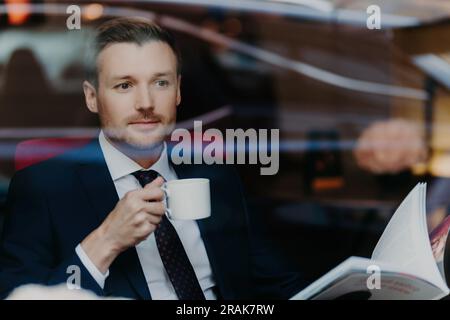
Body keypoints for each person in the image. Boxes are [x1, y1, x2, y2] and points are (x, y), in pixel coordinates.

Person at [0, 17, 303, 300]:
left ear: (178, 91)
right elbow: (21, 295)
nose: (146, 103)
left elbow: (281, 285)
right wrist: (106, 240)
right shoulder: (43, 189)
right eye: (125, 85)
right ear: (92, 97)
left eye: (160, 83)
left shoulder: (216, 174)